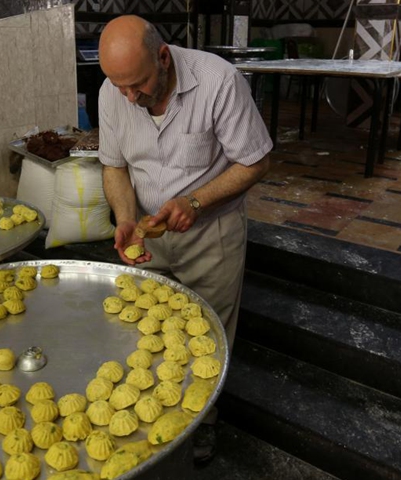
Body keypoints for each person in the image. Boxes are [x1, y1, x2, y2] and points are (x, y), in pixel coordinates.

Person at [98, 15, 272, 463]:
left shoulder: (218, 81)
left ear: (163, 56)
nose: (128, 97)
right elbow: (114, 166)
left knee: (208, 334)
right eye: (119, 87)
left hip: (210, 233)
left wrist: (194, 203)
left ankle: (201, 424)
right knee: (142, 329)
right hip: (145, 233)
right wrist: (124, 218)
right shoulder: (113, 91)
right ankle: (146, 413)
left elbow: (254, 162)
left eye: (137, 85)